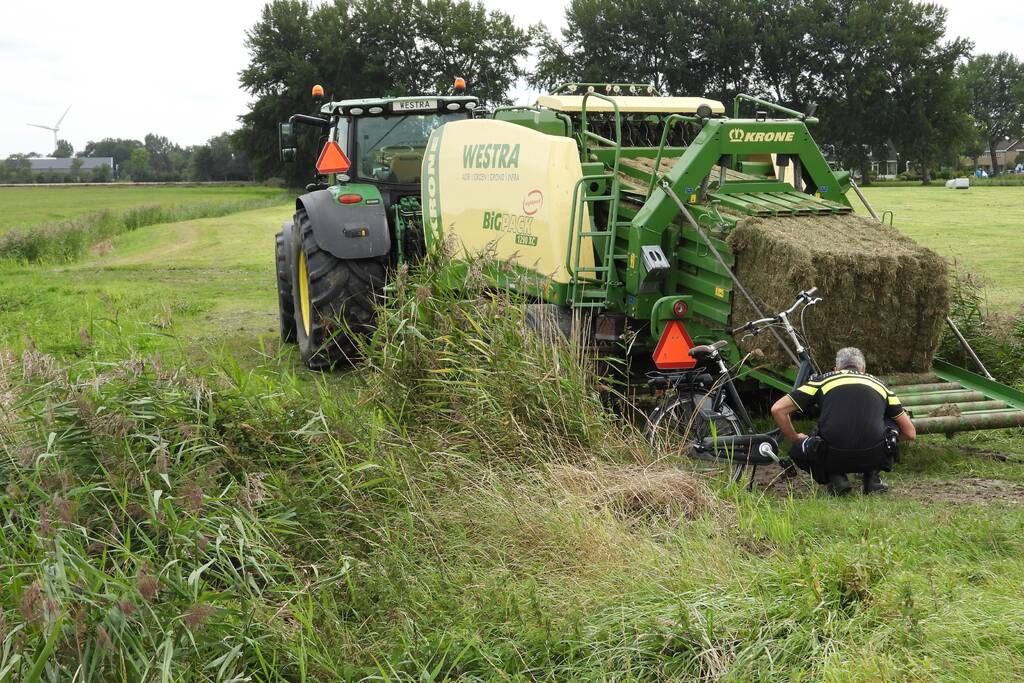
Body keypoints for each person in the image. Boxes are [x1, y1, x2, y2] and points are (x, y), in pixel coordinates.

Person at [771, 347, 916, 495]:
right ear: (863, 369)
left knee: (798, 446)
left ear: (836, 369)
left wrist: (795, 438)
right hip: (874, 455)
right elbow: (910, 433)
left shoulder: (822, 381)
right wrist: (882, 442)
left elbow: (778, 409)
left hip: (831, 455)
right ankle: (872, 478)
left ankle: (835, 477)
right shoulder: (882, 386)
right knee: (891, 420)